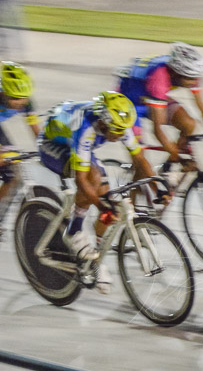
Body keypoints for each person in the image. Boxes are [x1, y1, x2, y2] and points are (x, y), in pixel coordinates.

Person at [37, 92, 168, 294]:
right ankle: (73, 231)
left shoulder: (118, 124)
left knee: (108, 195)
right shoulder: (86, 129)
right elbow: (81, 179)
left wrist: (157, 189)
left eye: (124, 130)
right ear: (103, 124)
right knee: (93, 179)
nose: (121, 135)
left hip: (72, 141)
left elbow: (140, 160)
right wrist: (100, 205)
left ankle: (94, 258)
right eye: (117, 131)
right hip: (52, 144)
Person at [114, 42, 203, 170]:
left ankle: (167, 170)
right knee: (142, 166)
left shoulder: (190, 74)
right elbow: (157, 130)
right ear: (176, 73)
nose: (194, 82)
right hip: (128, 103)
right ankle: (141, 186)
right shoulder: (159, 79)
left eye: (196, 78)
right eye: (190, 79)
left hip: (149, 96)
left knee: (189, 124)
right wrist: (180, 159)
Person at [0, 62, 42, 235]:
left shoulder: (26, 100)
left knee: (12, 174)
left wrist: (45, 148)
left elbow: (36, 130)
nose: (19, 103)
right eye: (14, 98)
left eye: (23, 98)